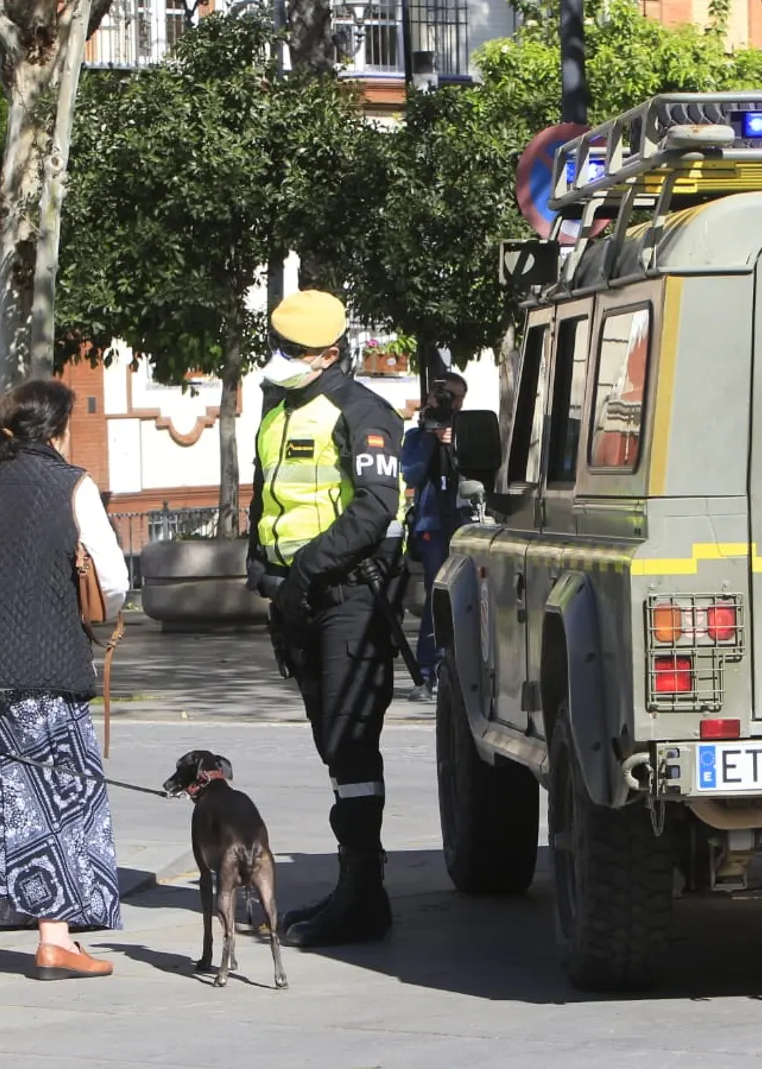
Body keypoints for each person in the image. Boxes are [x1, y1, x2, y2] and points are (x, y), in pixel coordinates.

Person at [0, 379, 131, 982]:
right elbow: (113, 581)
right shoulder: (72, 485)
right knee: (55, 798)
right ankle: (55, 941)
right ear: (60, 429)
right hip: (44, 667)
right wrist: (98, 624)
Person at [246, 289, 408, 948]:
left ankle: (364, 893)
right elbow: (268, 494)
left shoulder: (363, 411)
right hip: (297, 600)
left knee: (351, 744)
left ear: (331, 353)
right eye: (279, 348)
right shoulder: (279, 406)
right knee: (332, 747)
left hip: (347, 598)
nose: (282, 360)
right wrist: (260, 567)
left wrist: (306, 574)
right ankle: (356, 888)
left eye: (295, 352)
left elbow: (373, 509)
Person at [399, 371, 469, 702]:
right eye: (440, 397)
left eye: (453, 398)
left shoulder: (470, 432)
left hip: (464, 522)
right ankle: (429, 670)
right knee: (435, 596)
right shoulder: (416, 436)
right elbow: (410, 473)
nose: (446, 404)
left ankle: (460, 667)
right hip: (432, 525)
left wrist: (455, 444)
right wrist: (430, 437)